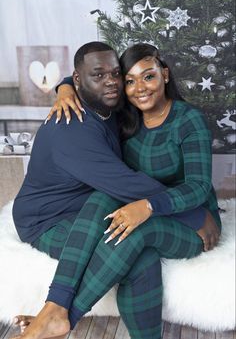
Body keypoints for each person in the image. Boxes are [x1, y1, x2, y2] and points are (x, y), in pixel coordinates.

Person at [12, 42, 220, 339]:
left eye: (116, 75)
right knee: (132, 241)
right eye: (130, 80)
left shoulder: (175, 118)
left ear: (165, 74)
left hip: (174, 215)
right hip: (52, 218)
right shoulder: (101, 120)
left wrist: (193, 213)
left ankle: (59, 315)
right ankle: (58, 312)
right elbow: (124, 184)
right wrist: (65, 86)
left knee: (124, 220)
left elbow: (197, 186)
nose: (127, 85)